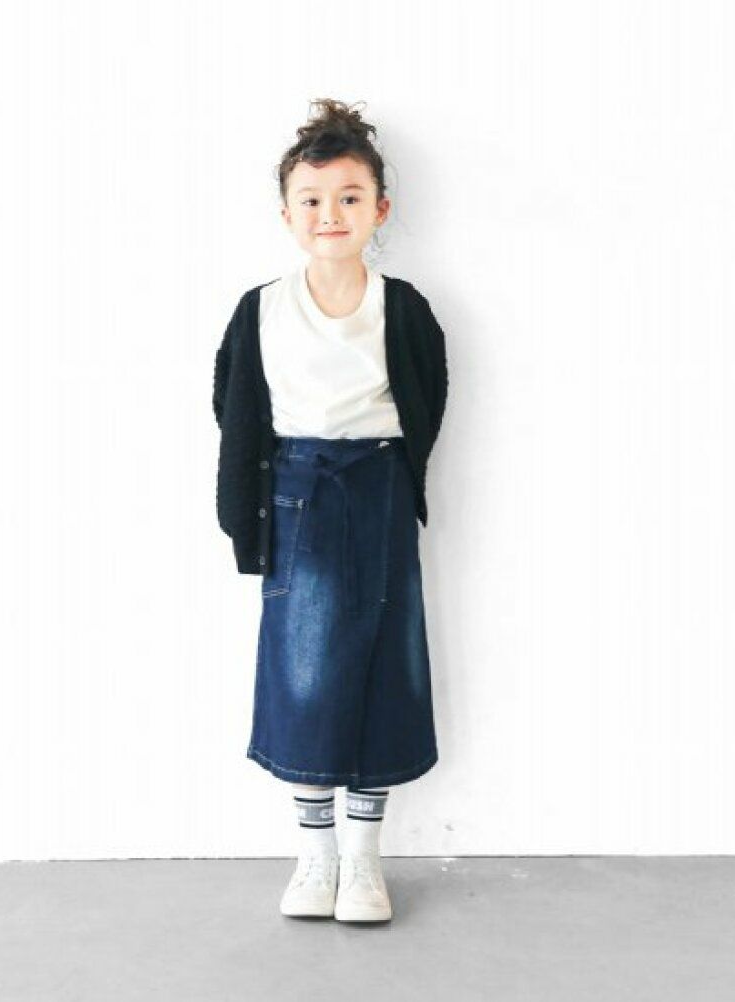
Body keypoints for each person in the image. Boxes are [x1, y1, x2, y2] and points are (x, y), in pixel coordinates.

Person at [212, 98, 449, 922]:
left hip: (379, 492)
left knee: (384, 669)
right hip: (297, 499)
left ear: (380, 208)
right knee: (304, 673)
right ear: (287, 214)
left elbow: (427, 398)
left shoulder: (403, 307)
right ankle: (314, 857)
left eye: (350, 197)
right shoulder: (263, 308)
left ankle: (364, 861)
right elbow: (236, 411)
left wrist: (392, 478)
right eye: (311, 199)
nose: (330, 214)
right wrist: (247, 521)